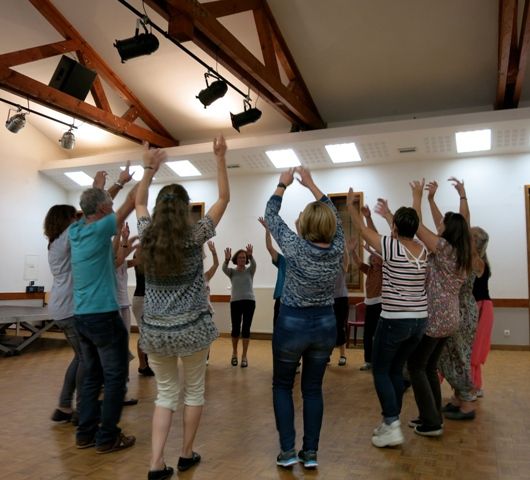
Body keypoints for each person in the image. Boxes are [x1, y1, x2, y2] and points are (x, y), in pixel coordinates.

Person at [136, 136, 229, 480]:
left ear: (160, 211)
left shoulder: (146, 235)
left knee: (165, 394)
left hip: (156, 332)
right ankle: (186, 454)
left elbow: (139, 203)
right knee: (193, 392)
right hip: (191, 330)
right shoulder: (196, 235)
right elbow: (223, 198)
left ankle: (156, 463)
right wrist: (219, 158)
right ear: (187, 209)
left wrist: (148, 168)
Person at [265, 166, 344, 469]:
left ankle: (287, 452)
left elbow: (272, 216)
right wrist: (311, 184)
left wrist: (282, 185)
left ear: (305, 225)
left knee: (283, 386)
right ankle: (310, 453)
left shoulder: (295, 247)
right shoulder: (337, 249)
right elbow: (334, 215)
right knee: (312, 389)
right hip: (325, 325)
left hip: (292, 323)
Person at [348, 188, 428, 448]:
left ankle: (391, 422)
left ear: (394, 226)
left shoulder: (391, 246)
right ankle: (389, 422)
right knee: (395, 370)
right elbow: (385, 230)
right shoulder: (423, 250)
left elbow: (362, 231)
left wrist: (351, 206)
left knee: (381, 370)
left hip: (395, 320)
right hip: (419, 322)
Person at [69, 175, 137, 453]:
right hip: (104, 317)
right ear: (103, 209)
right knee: (114, 378)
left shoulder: (76, 230)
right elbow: (131, 204)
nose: (112, 204)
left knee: (91, 377)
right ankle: (107, 437)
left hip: (81, 317)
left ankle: (85, 434)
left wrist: (116, 184)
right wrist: (149, 168)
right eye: (109, 202)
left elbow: (93, 205)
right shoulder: (101, 228)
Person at [406, 179, 472, 437]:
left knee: (415, 366)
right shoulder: (461, 251)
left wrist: (417, 198)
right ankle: (431, 415)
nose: (439, 225)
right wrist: (435, 199)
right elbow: (457, 223)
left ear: (449, 231)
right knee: (428, 366)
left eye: (443, 224)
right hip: (450, 318)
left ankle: (432, 422)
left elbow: (416, 227)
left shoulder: (444, 249)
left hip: (435, 318)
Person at [436, 178, 484, 420]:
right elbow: (446, 226)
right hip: (460, 310)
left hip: (462, 311)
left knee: (459, 355)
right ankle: (457, 397)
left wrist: (464, 195)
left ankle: (467, 402)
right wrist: (434, 199)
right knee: (452, 355)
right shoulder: (459, 251)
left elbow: (463, 222)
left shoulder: (468, 254)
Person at [44, 204, 83, 425]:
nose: (75, 220)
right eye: (72, 217)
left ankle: (64, 406)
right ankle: (76, 407)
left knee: (81, 357)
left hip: (61, 306)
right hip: (69, 308)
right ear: (65, 220)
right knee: (86, 358)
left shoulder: (54, 242)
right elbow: (87, 218)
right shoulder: (64, 239)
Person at [349, 205, 383, 371]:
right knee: (368, 334)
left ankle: (378, 361)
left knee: (379, 335)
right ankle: (368, 360)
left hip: (380, 305)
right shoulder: (369, 270)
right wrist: (352, 251)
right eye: (374, 258)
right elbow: (357, 263)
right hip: (369, 304)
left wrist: (369, 218)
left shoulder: (384, 270)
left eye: (378, 257)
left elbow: (377, 243)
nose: (375, 260)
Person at [222, 243, 256, 368]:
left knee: (246, 329)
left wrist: (251, 256)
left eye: (244, 257)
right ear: (236, 259)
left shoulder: (250, 270)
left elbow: (254, 264)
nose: (242, 259)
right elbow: (223, 268)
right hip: (235, 302)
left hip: (249, 302)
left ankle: (244, 356)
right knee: (235, 328)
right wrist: (226, 259)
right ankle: (235, 353)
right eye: (240, 257)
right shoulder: (231, 272)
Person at [470, 227, 493, 397]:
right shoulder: (475, 259)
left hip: (481, 307)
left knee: (474, 349)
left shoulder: (478, 261)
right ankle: (474, 386)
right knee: (472, 349)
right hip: (476, 306)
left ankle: (473, 387)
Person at [258, 216, 286, 327]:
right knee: (278, 327)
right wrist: (267, 230)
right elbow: (269, 247)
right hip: (280, 298)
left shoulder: (301, 263)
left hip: (293, 300)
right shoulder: (283, 261)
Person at [130, 248, 154, 376]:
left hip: (146, 299)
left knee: (147, 334)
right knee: (144, 334)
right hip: (141, 299)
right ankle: (143, 365)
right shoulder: (139, 253)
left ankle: (145, 364)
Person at [333, 249, 350, 366]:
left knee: (340, 327)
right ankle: (326, 356)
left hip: (342, 299)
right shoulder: (327, 268)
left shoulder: (342, 267)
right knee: (328, 328)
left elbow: (346, 259)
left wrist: (345, 247)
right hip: (329, 300)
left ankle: (343, 355)